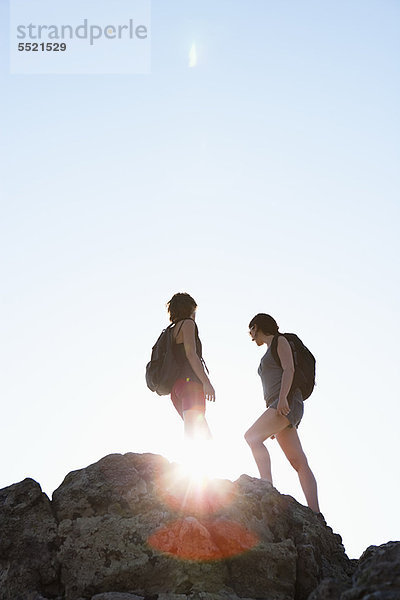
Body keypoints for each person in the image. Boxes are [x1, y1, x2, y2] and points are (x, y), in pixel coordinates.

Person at [244, 313, 320, 513]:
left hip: (286, 402)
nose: (251, 335)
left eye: (251, 330)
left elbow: (289, 369)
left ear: (258, 327)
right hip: (279, 405)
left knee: (251, 437)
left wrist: (284, 399)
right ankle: (315, 512)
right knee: (298, 461)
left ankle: (265, 486)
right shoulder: (269, 349)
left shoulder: (281, 340)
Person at [167, 292, 215, 440]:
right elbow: (191, 354)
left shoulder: (170, 331)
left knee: (199, 432)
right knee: (198, 435)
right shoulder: (188, 324)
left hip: (176, 389)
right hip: (190, 386)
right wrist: (207, 382)